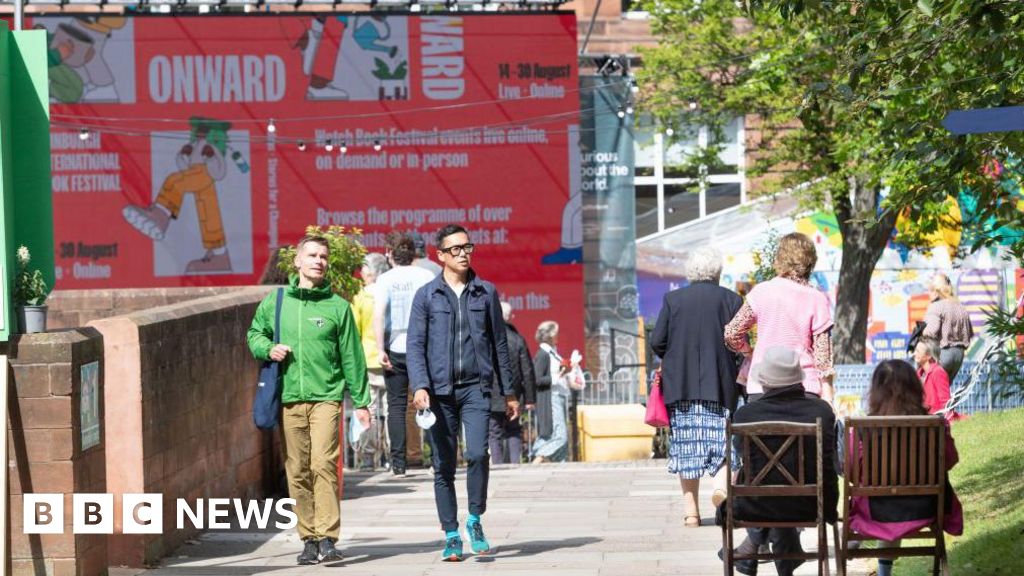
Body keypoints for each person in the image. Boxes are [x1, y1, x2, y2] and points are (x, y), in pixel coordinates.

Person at [246, 235, 370, 565]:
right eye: (312, 255)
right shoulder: (278, 301)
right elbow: (254, 333)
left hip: (326, 396)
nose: (319, 261)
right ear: (297, 262)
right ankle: (309, 538)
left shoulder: (337, 307)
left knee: (323, 464)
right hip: (288, 396)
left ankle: (328, 537)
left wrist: (362, 402)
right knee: (297, 469)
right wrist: (267, 348)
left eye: (324, 257)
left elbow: (352, 357)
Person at [407, 224, 518, 561]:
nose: (463, 253)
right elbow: (415, 344)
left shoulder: (486, 292)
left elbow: (499, 343)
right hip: (438, 393)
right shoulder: (427, 295)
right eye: (455, 249)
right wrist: (420, 384)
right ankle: (451, 533)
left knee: (477, 455)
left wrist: (509, 392)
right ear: (439, 255)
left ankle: (474, 519)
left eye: (468, 247)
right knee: (443, 463)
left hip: (475, 389)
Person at [720, 346, 839, 576]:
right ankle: (784, 565)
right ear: (799, 380)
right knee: (782, 491)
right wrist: (831, 506)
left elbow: (742, 459)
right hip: (811, 504)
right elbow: (827, 464)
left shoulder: (746, 416)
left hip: (755, 507)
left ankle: (752, 549)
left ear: (764, 382)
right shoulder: (821, 411)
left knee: (769, 489)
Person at [650, 247, 743, 527]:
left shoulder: (673, 300)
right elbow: (740, 341)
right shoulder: (732, 299)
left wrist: (675, 356)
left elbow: (657, 341)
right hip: (721, 385)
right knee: (722, 443)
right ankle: (721, 488)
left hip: (682, 387)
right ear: (717, 272)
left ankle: (691, 512)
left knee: (687, 446)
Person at [847, 360, 963, 576]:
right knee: (896, 505)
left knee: (888, 504)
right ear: (914, 388)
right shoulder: (934, 425)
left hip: (877, 509)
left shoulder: (863, 428)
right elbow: (949, 460)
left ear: (876, 391)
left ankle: (878, 565)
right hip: (925, 508)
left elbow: (852, 471)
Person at [725, 232, 836, 404]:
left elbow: (732, 333)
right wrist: (828, 394)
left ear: (779, 259)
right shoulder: (817, 298)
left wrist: (748, 351)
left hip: (762, 387)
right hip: (804, 389)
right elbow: (823, 357)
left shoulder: (761, 291)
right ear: (810, 262)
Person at [373, 233, 436, 476]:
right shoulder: (427, 276)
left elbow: (379, 314)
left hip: (395, 344)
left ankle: (398, 462)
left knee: (396, 406)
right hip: (423, 346)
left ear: (389, 253)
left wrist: (380, 349)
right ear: (414, 253)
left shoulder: (385, 279)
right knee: (430, 401)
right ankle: (436, 458)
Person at [351, 252, 391, 469]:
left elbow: (354, 330)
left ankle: (368, 458)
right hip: (391, 359)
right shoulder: (389, 292)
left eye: (365, 268)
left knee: (369, 410)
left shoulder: (361, 296)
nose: (362, 272)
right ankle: (394, 456)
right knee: (392, 410)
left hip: (367, 359)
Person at [489, 301, 537, 465]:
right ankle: (515, 464)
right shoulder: (518, 339)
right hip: (514, 393)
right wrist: (530, 398)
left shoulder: (487, 338)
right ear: (508, 317)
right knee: (513, 430)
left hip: (492, 392)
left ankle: (497, 465)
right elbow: (527, 370)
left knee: (494, 432)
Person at [529, 321, 572, 464]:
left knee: (552, 435)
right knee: (561, 436)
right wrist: (556, 377)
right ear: (550, 335)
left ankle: (546, 459)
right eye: (556, 333)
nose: (558, 336)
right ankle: (539, 454)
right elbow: (537, 379)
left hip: (558, 396)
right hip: (551, 397)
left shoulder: (552, 352)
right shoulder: (543, 354)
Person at [922, 273, 973, 382]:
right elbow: (970, 333)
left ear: (937, 291)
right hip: (959, 356)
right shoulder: (961, 307)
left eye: (931, 289)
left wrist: (921, 333)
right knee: (943, 390)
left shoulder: (936, 306)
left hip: (943, 353)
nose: (929, 293)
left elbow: (931, 331)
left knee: (927, 387)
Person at [912, 338, 951, 415]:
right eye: (915, 350)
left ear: (929, 356)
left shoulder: (938, 372)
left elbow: (945, 402)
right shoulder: (918, 374)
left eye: (918, 351)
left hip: (935, 419)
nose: (914, 354)